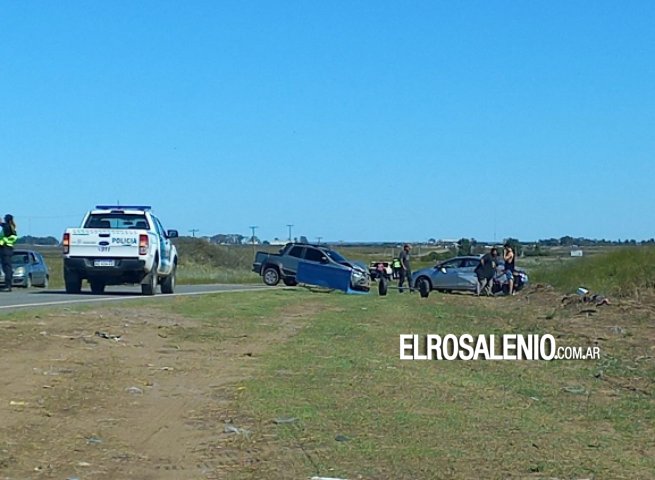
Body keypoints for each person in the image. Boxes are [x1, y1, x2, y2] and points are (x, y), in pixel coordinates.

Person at [0, 214, 18, 292]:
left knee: (6, 267)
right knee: (7, 267)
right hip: (9, 248)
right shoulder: (12, 227)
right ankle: (8, 284)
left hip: (5, 248)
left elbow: (4, 236)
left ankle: (8, 285)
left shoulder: (7, 227)